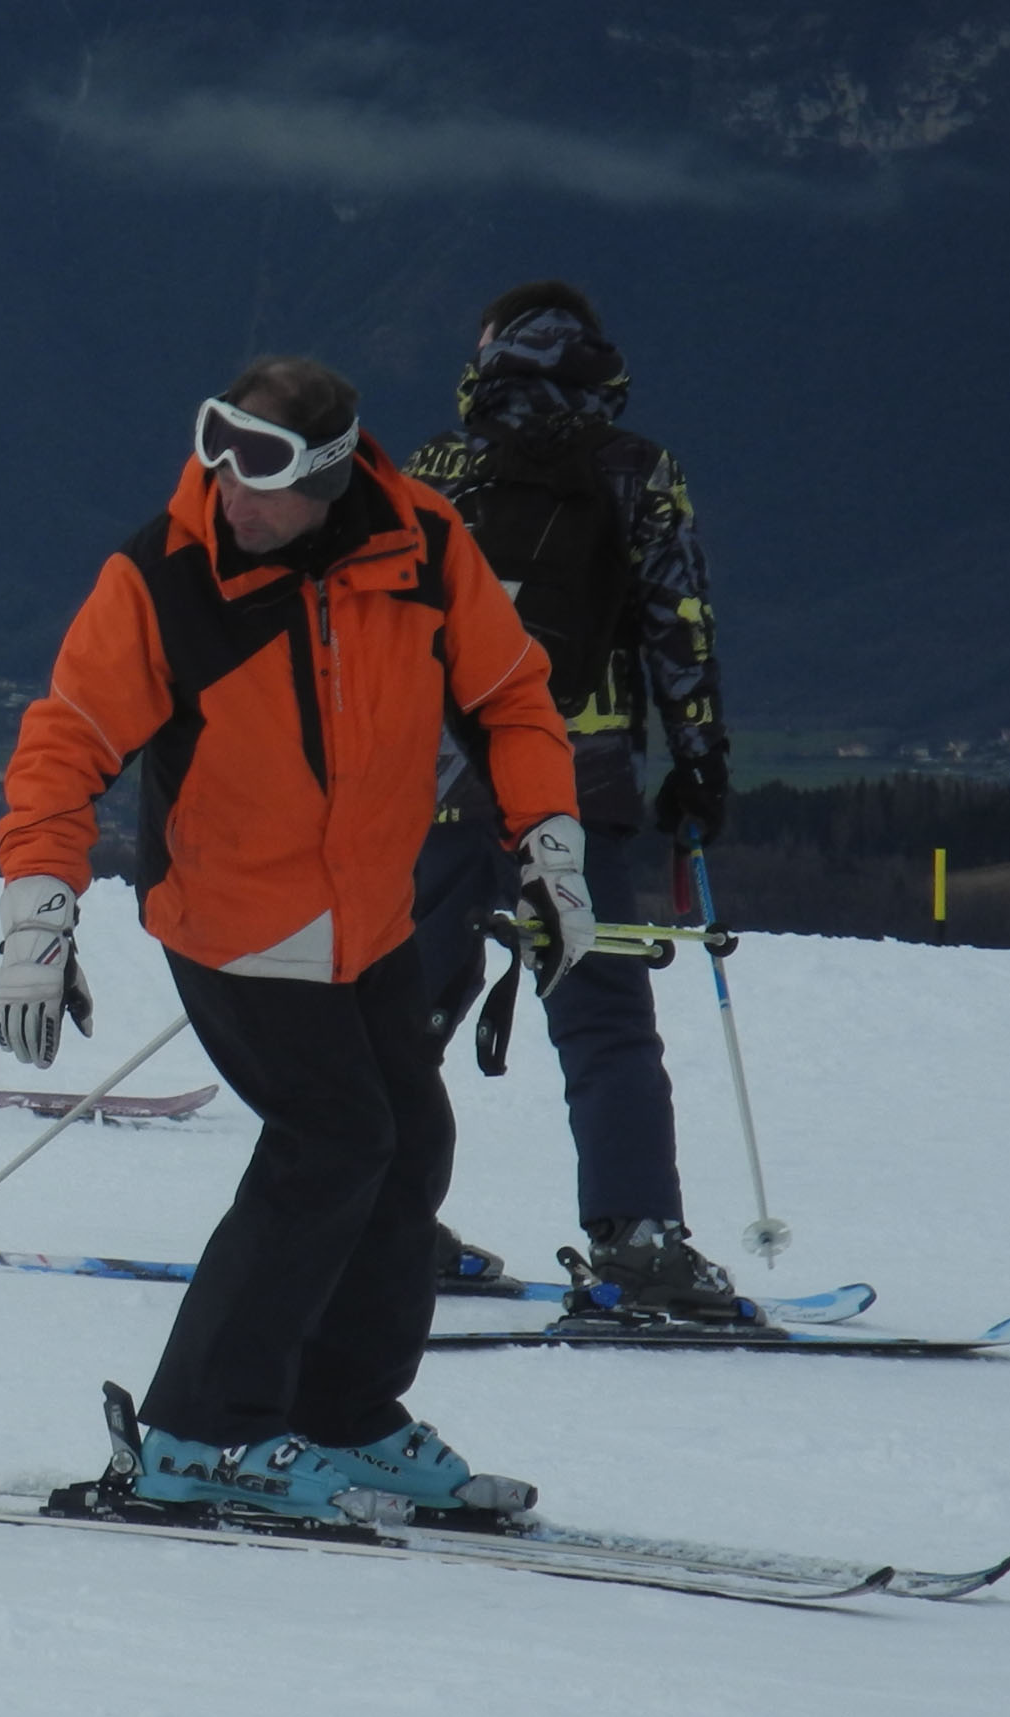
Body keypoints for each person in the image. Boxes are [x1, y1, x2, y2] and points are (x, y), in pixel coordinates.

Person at [0, 356, 590, 1522]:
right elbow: (64, 744)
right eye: (215, 458)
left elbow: (510, 696)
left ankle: (342, 1412)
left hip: (366, 916)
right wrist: (37, 917)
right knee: (331, 1140)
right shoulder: (163, 576)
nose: (229, 493)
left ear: (327, 479)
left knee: (407, 1144)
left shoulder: (420, 548)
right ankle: (196, 1433)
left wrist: (548, 845)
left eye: (259, 475)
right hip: (232, 916)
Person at [404, 280, 738, 1315]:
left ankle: (372, 1211)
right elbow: (678, 625)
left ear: (490, 351)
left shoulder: (432, 470)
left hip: (431, 783)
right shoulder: (637, 470)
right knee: (603, 1020)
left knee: (401, 1010)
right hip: (573, 784)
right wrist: (698, 766)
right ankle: (638, 1241)